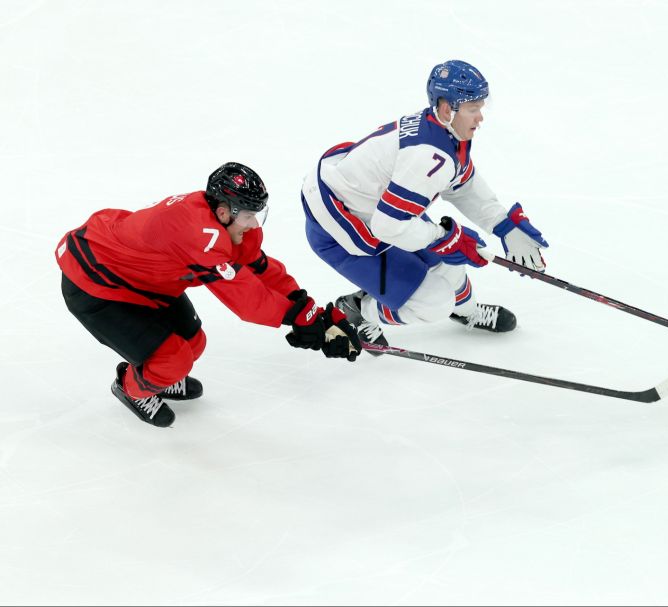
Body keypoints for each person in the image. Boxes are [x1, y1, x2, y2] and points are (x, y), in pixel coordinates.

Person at [55, 162, 360, 428]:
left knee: (193, 344)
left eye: (258, 214)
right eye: (249, 216)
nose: (254, 224)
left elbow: (262, 270)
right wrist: (299, 320)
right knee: (172, 360)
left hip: (144, 282)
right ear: (225, 211)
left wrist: (311, 311)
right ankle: (131, 388)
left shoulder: (230, 224)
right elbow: (245, 299)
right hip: (95, 285)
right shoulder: (199, 234)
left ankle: (155, 379)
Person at [300, 60, 549, 352]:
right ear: (447, 108)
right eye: (473, 108)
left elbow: (461, 183)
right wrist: (443, 238)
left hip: (376, 212)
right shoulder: (427, 155)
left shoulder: (444, 132)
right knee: (433, 304)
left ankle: (464, 311)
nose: (480, 117)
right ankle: (359, 311)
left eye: (480, 106)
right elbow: (388, 226)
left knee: (450, 264)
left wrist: (502, 225)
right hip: (342, 233)